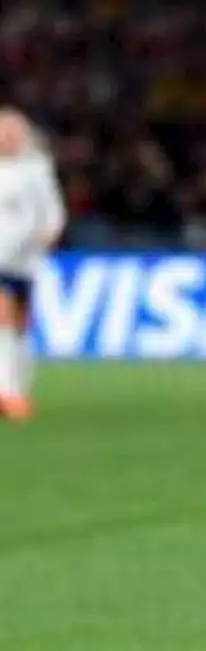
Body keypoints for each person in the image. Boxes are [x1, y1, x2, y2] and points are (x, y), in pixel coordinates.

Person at [0, 108, 65, 421]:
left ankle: (19, 388)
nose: (7, 137)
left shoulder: (35, 169)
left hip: (23, 259)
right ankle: (7, 392)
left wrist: (48, 235)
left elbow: (52, 211)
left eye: (12, 131)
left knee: (20, 328)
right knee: (4, 320)